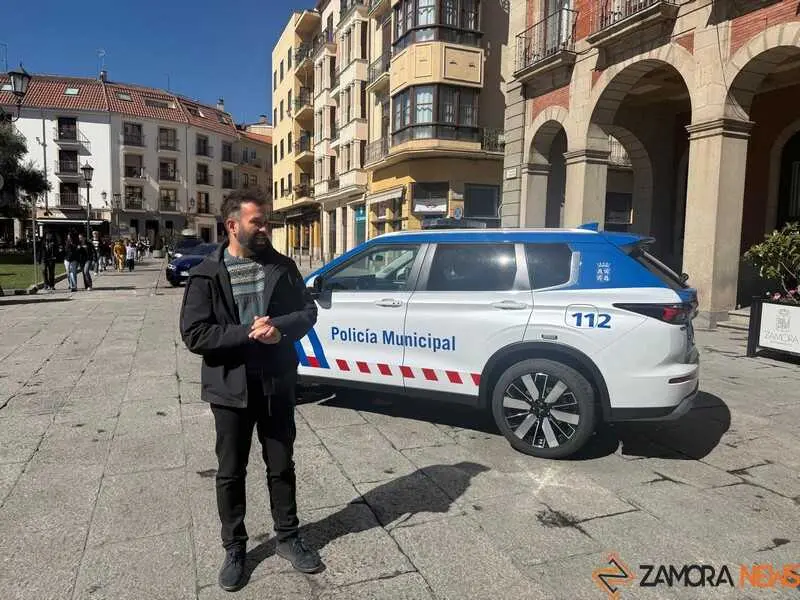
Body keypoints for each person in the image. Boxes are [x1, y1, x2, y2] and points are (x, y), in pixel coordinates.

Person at [179, 189, 321, 592]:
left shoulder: (283, 265)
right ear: (232, 225)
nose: (265, 228)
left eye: (266, 221)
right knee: (230, 471)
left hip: (276, 381)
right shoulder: (207, 273)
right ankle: (235, 548)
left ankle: (289, 537)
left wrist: (280, 330)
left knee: (281, 464)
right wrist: (247, 334)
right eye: (257, 221)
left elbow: (308, 311)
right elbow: (194, 333)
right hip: (229, 388)